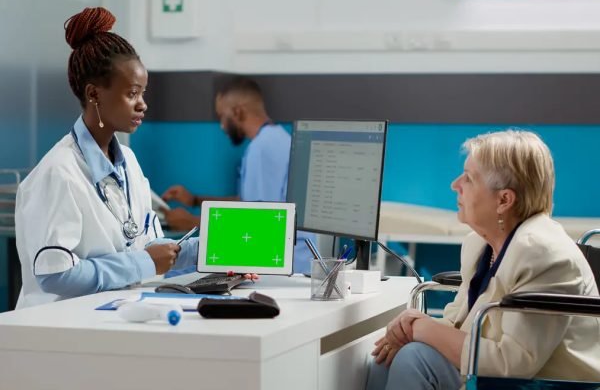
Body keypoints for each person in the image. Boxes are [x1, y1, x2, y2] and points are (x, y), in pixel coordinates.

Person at [14, 7, 256, 309]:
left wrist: (223, 252)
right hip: (56, 329)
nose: (142, 104)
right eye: (132, 93)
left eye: (143, 93)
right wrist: (142, 264)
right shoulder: (59, 172)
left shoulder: (127, 161)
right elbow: (57, 275)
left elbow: (147, 245)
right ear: (94, 94)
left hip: (111, 316)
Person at [366, 130, 600, 390]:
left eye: (469, 178)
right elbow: (459, 324)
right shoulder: (480, 244)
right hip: (491, 375)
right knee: (388, 354)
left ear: (504, 200)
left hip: (544, 384)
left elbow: (514, 363)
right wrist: (411, 326)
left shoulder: (544, 255)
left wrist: (422, 330)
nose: (455, 184)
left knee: (413, 358)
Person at [161, 76, 315, 274]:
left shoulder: (263, 148)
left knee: (178, 274)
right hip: (290, 259)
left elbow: (262, 223)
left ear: (238, 112)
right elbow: (248, 203)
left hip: (288, 265)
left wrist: (191, 222)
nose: (221, 126)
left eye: (222, 117)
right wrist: (195, 200)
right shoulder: (274, 140)